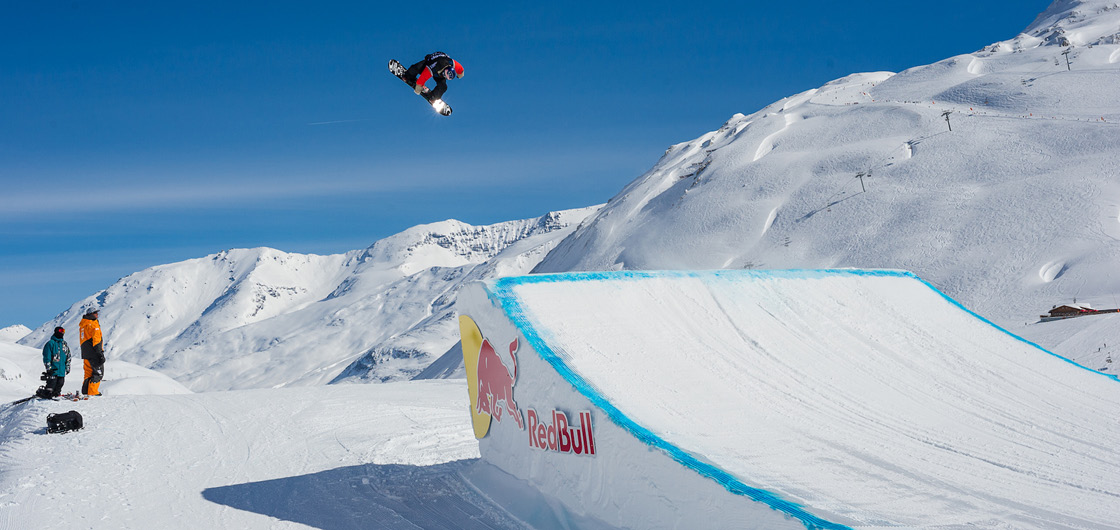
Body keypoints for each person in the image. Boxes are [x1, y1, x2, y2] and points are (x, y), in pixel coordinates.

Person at [79, 308, 105, 396]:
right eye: (95, 313)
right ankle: (93, 392)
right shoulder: (93, 325)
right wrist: (99, 354)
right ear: (90, 314)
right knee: (98, 372)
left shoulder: (83, 325)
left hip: (86, 353)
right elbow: (96, 340)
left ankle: (86, 391)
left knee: (88, 372)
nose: (97, 314)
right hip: (94, 353)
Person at [40, 326, 70, 398]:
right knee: (51, 384)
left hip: (62, 370)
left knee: (60, 383)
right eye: (61, 330)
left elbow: (68, 356)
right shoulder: (50, 343)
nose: (62, 332)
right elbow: (47, 357)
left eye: (63, 331)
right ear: (56, 331)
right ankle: (47, 395)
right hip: (53, 370)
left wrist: (67, 367)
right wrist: (48, 368)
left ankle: (56, 395)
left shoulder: (64, 344)